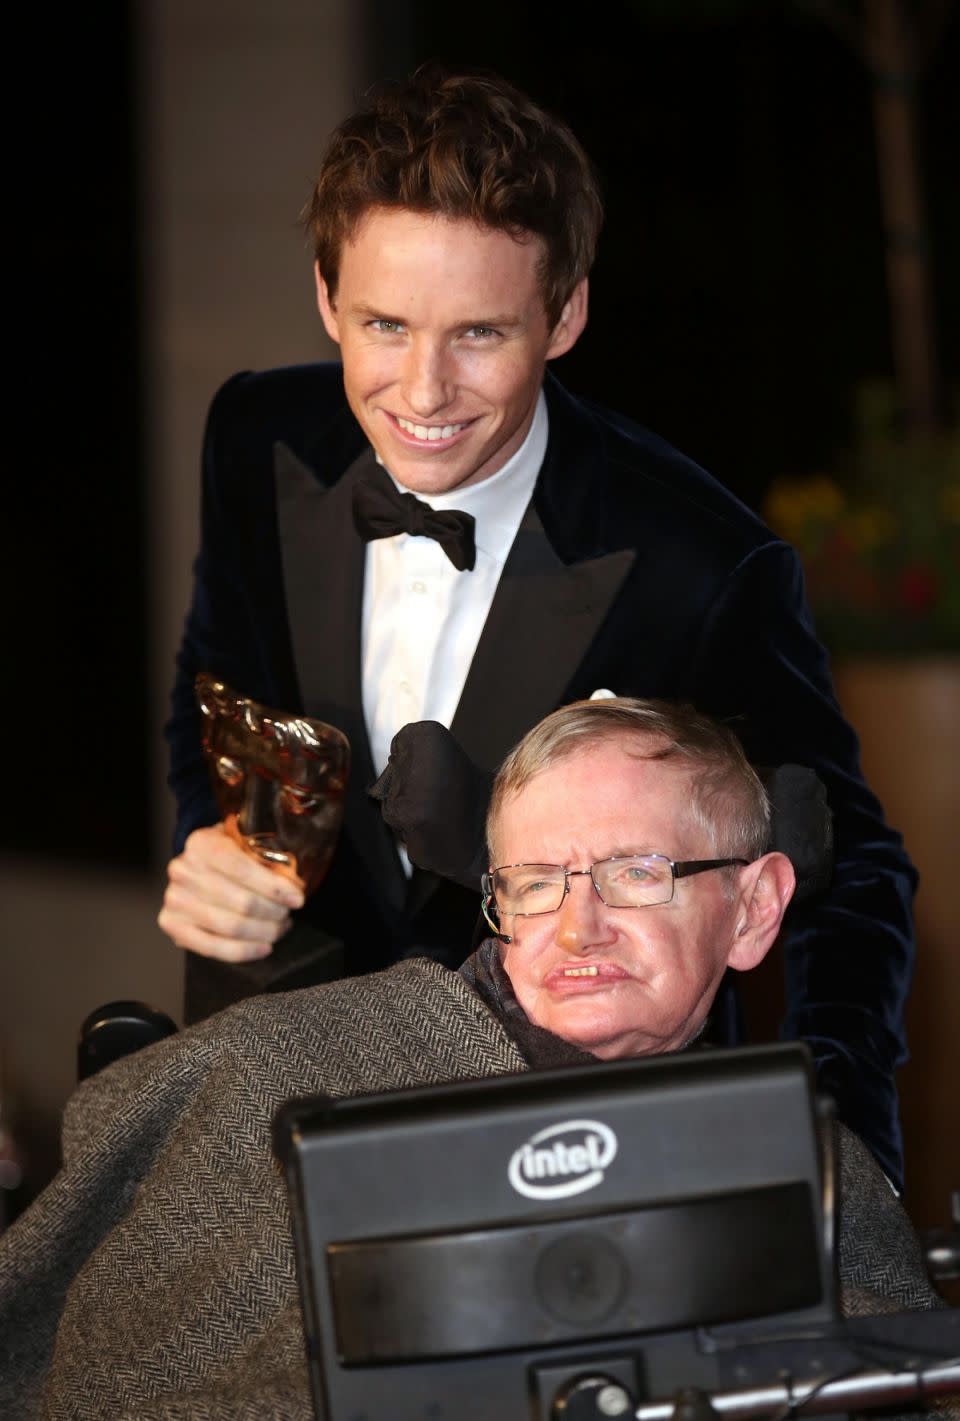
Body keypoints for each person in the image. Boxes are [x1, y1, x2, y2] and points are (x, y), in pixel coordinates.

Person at [159, 64, 915, 1189]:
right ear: (325, 296)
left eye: (479, 333)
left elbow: (848, 873)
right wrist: (217, 838)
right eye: (382, 323)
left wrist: (839, 1168)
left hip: (591, 1136)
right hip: (289, 1092)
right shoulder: (256, 436)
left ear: (565, 314)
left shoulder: (701, 560)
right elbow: (215, 691)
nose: (423, 389)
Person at [1, 700, 942, 1421]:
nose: (578, 925)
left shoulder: (806, 1158)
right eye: (533, 885)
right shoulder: (278, 1062)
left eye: (636, 872)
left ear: (753, 910)